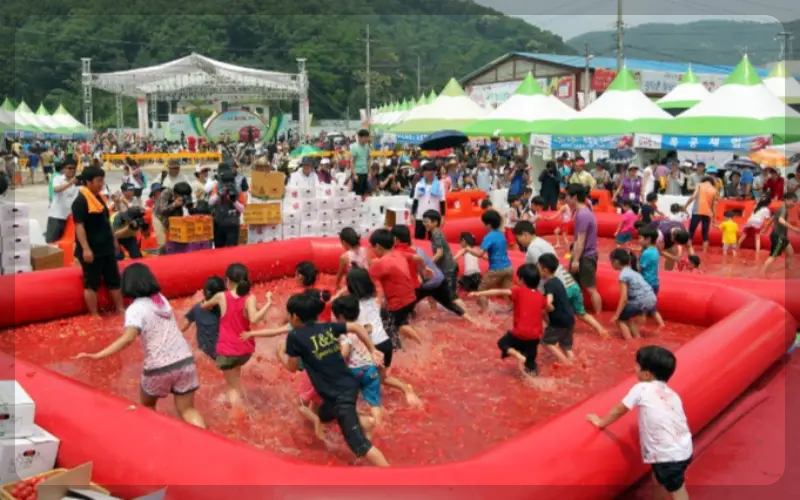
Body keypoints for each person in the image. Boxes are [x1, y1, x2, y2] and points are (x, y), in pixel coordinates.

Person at [74, 263, 205, 428]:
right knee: (188, 409)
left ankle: (155, 438)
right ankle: (207, 440)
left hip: (159, 366)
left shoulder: (135, 309)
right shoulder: (161, 300)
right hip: (185, 360)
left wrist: (97, 355)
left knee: (147, 407)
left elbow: (127, 339)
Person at [276, 291, 389, 466]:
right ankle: (363, 422)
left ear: (295, 316)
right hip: (346, 385)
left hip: (339, 395)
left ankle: (390, 474)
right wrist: (372, 349)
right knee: (323, 417)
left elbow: (292, 367)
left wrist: (280, 355)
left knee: (360, 446)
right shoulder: (327, 327)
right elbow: (356, 327)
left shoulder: (295, 336)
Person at [586, 346, 692, 500]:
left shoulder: (641, 388)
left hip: (667, 455)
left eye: (637, 365)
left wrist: (601, 422)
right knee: (659, 480)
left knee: (677, 491)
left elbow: (620, 409)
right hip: (683, 448)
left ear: (647, 374)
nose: (634, 368)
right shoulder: (672, 394)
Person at [200, 263, 272, 409]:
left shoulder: (221, 296)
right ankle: (239, 402)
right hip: (245, 351)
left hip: (227, 351)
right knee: (236, 381)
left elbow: (204, 306)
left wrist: (205, 304)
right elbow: (254, 319)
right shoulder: (250, 298)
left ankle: (238, 415)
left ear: (227, 280)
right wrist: (268, 303)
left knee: (232, 388)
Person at [344, 268, 420, 405]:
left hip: (373, 346)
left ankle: (404, 389)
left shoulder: (354, 306)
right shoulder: (374, 299)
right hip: (386, 343)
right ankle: (403, 389)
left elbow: (365, 328)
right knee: (381, 377)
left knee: (367, 375)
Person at [469, 264, 547, 376]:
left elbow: (499, 292)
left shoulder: (518, 291)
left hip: (520, 333)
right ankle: (533, 376)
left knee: (502, 343)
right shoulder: (541, 297)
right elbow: (547, 308)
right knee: (530, 364)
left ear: (522, 280)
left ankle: (517, 355)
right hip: (535, 337)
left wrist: (479, 293)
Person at [71, 166, 125, 316]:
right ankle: (94, 314)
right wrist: (86, 248)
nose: (101, 184)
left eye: (102, 180)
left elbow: (107, 221)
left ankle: (120, 308)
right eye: (98, 181)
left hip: (106, 246)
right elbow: (79, 226)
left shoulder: (99, 198)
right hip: (92, 248)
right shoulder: (80, 201)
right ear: (88, 182)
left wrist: (114, 240)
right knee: (92, 282)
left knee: (114, 279)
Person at [331, 295, 384, 429]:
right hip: (370, 369)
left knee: (348, 401)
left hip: (354, 371)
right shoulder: (362, 329)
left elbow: (345, 352)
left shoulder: (345, 333)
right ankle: (379, 425)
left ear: (340, 316)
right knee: (374, 403)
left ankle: (360, 422)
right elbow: (370, 330)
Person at [368, 229, 423, 345]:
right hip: (411, 298)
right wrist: (425, 269)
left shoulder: (380, 264)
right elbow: (418, 257)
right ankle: (418, 342)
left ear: (378, 246)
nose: (372, 250)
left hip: (398, 303)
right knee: (401, 322)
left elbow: (366, 281)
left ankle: (411, 346)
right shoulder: (399, 253)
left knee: (393, 327)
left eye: (372, 248)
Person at [454, 210, 513, 314]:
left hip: (496, 270)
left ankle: (485, 313)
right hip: (509, 268)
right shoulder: (501, 234)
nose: (483, 226)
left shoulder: (488, 237)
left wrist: (468, 249)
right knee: (507, 292)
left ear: (488, 225)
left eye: (484, 224)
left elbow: (480, 253)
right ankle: (511, 310)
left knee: (481, 291)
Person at [537, 253, 608, 338]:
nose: (537, 271)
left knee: (548, 311)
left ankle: (553, 330)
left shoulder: (549, 281)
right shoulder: (556, 267)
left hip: (565, 291)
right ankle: (600, 329)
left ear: (545, 270)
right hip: (574, 287)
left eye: (538, 268)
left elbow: (547, 301)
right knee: (582, 314)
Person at [566, 184, 602, 315]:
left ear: (574, 197)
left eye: (567, 196)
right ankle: (576, 311)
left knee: (591, 288)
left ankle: (598, 315)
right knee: (573, 285)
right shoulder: (582, 212)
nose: (565, 199)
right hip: (584, 254)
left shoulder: (583, 215)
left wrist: (576, 260)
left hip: (585, 256)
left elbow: (580, 240)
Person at [609, 248, 657, 340]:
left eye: (611, 261)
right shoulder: (633, 272)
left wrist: (616, 315)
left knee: (620, 319)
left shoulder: (623, 275)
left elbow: (624, 298)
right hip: (652, 299)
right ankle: (637, 338)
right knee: (626, 317)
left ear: (616, 261)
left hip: (640, 301)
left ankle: (629, 341)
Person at [182, 276, 226, 360]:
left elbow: (184, 325)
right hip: (221, 354)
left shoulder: (197, 308)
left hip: (203, 351)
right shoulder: (223, 310)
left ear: (203, 291)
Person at [423, 210, 459, 302]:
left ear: (435, 222)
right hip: (445, 268)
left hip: (448, 269)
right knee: (441, 292)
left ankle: (463, 310)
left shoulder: (436, 234)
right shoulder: (436, 232)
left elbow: (439, 253)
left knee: (451, 296)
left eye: (426, 221)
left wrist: (428, 265)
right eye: (424, 221)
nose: (424, 224)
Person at [761, 192, 799, 275]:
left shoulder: (780, 208)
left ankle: (787, 269)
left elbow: (772, 218)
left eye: (795, 202)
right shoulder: (783, 209)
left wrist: (765, 229)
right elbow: (781, 220)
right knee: (773, 256)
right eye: (793, 201)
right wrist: (794, 229)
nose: (794, 204)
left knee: (790, 253)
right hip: (778, 236)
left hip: (782, 236)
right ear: (787, 200)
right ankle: (762, 273)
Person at [637, 227, 667, 329]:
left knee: (642, 309)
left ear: (648, 239)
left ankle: (640, 329)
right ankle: (661, 325)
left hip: (646, 283)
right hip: (654, 283)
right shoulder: (655, 250)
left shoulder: (646, 253)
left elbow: (639, 268)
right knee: (652, 307)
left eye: (640, 238)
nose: (638, 240)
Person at [45, 157, 79, 243]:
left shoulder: (78, 182)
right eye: (69, 168)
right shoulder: (58, 178)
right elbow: (56, 189)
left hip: (69, 217)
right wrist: (70, 183)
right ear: (63, 169)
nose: (72, 170)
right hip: (56, 216)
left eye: (74, 168)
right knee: (52, 242)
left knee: (66, 243)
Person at [411, 161, 446, 240]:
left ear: (434, 172)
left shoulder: (439, 185)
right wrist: (412, 214)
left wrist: (443, 216)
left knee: (434, 239)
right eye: (424, 171)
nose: (425, 173)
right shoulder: (419, 184)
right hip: (420, 216)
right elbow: (415, 200)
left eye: (428, 170)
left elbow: (442, 201)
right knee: (418, 238)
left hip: (434, 216)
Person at [684, 176, 718, 253]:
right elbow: (714, 206)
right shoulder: (714, 190)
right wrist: (714, 220)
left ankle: (688, 250)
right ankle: (704, 252)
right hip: (707, 213)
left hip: (697, 211)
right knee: (705, 233)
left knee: (691, 231)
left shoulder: (699, 185)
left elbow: (693, 197)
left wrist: (685, 206)